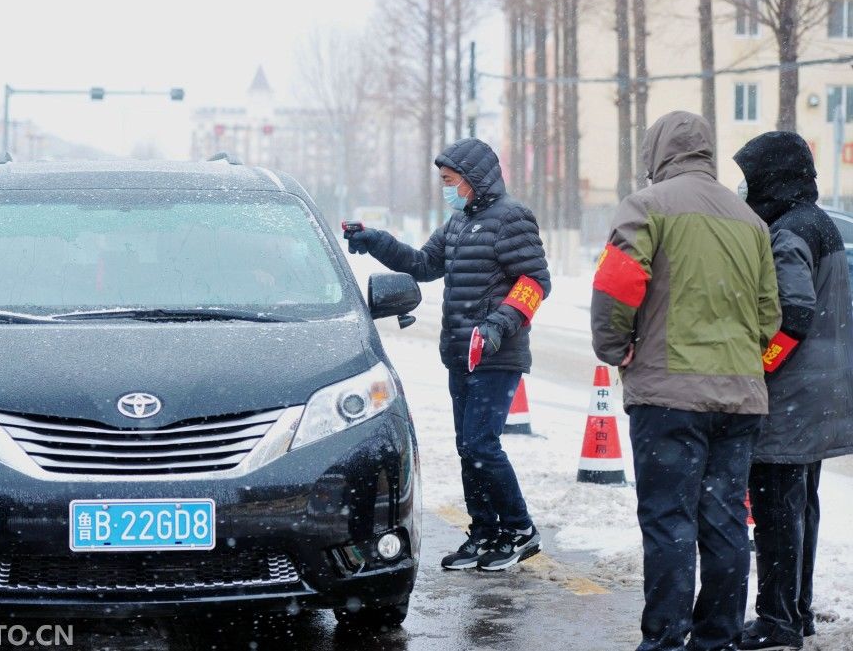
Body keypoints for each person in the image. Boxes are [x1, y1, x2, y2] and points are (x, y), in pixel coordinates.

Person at [590, 111, 780, 651]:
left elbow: (615, 286)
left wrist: (614, 346)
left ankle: (666, 639)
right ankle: (716, 638)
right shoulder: (751, 222)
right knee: (724, 523)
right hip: (740, 400)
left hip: (669, 397)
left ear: (657, 154)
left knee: (670, 521)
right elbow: (770, 315)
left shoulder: (648, 207)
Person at [347, 137, 550, 571]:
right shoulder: (459, 222)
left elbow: (534, 283)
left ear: (473, 179)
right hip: (460, 353)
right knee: (467, 447)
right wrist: (376, 241)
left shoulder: (511, 218)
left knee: (482, 444)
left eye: (450, 180)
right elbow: (423, 264)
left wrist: (496, 328)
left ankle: (519, 528)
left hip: (496, 354)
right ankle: (485, 532)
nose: (446, 188)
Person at [733, 132, 853, 651]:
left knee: (777, 508)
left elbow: (795, 313)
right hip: (822, 389)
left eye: (751, 176)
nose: (745, 188)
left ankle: (777, 622)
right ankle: (796, 612)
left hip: (792, 394)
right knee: (800, 504)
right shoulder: (818, 221)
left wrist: (759, 369)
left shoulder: (787, 231)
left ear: (773, 175)